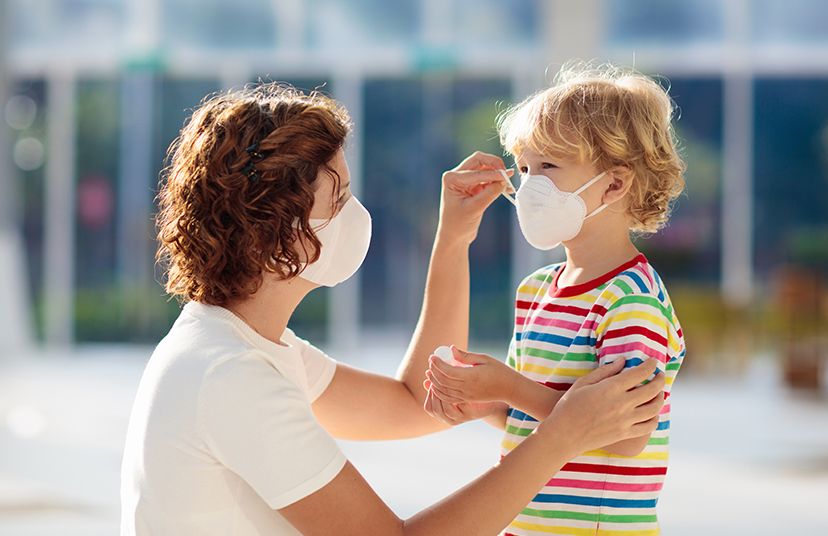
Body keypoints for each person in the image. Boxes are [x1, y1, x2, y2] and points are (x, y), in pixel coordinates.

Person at [118, 82, 665, 535]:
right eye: (339, 200)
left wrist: (453, 240)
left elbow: (414, 403)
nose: (357, 214)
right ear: (279, 234)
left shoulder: (248, 348)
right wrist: (561, 436)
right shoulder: (230, 375)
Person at [424, 63, 687, 535]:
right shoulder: (536, 290)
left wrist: (507, 386)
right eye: (523, 169)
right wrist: (478, 402)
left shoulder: (632, 302)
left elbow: (628, 435)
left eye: (548, 167)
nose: (529, 187)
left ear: (614, 184)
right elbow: (527, 418)